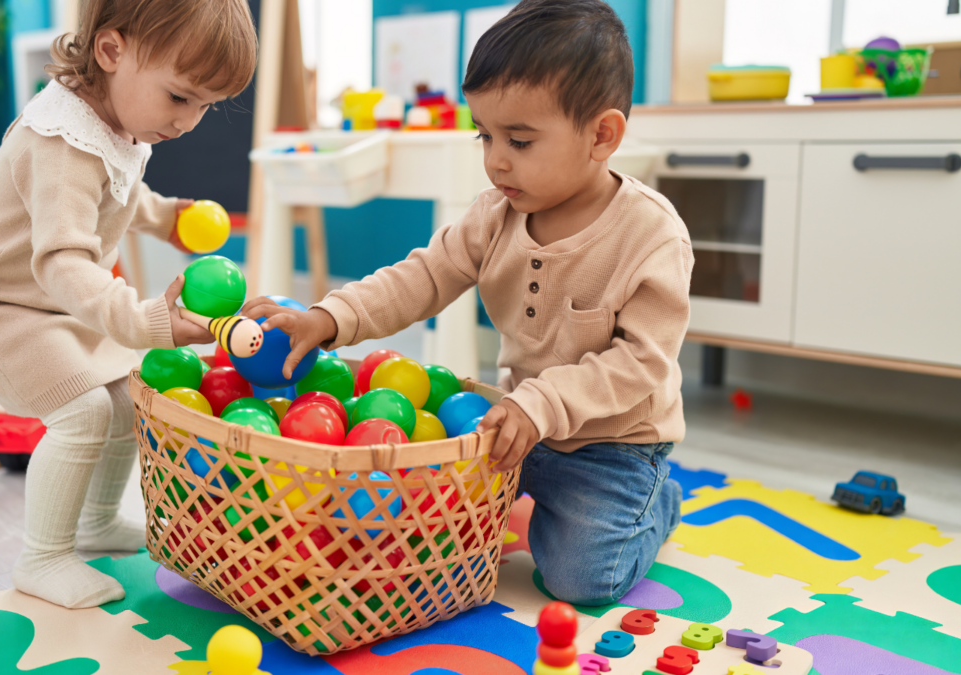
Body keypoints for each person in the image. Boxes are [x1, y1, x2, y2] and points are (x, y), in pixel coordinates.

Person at [242, 0, 691, 606]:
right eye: (485, 135)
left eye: (520, 140)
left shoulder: (651, 235)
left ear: (602, 135)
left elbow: (641, 365)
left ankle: (657, 501)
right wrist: (331, 318)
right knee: (404, 526)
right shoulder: (495, 214)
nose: (495, 159)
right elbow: (421, 278)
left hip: (611, 446)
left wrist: (543, 403)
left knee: (582, 579)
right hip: (510, 428)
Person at [0, 0, 256, 608]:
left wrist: (169, 220)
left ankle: (97, 521)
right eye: (181, 98)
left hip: (50, 310)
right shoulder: (62, 142)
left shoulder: (111, 120)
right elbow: (63, 262)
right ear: (111, 52)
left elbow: (120, 190)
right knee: (83, 412)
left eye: (206, 106)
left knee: (124, 396)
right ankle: (43, 557)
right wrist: (145, 321)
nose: (189, 122)